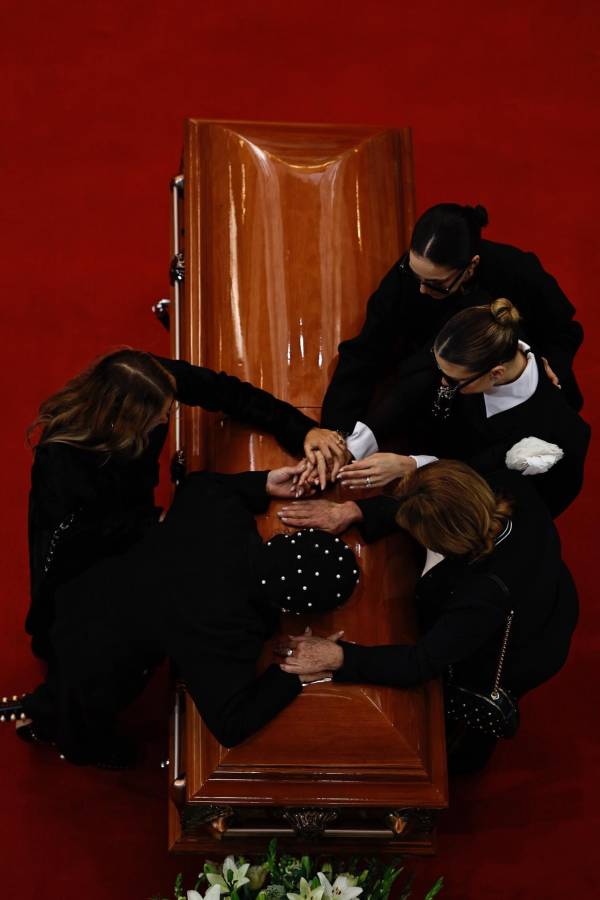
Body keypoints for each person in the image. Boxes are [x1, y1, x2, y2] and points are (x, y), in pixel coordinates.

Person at [1, 466, 359, 765]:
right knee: (73, 714)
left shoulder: (224, 514)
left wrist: (263, 482)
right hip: (99, 654)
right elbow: (231, 724)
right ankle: (40, 721)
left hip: (82, 584)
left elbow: (201, 482)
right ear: (293, 609)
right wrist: (294, 670)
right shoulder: (229, 632)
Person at [26, 349, 347, 658]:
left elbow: (226, 392)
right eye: (160, 416)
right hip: (80, 540)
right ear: (124, 421)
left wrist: (302, 431)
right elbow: (80, 536)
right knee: (65, 611)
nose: (168, 416)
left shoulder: (151, 378)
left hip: (134, 501)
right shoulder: (60, 460)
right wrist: (157, 523)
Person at [278, 461, 579, 773]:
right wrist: (356, 511)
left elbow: (421, 662)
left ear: (445, 542)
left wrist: (338, 656)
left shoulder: (481, 594)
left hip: (524, 646)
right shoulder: (503, 484)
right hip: (548, 588)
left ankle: (463, 761)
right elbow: (433, 499)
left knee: (465, 729)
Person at [320, 203, 584, 465]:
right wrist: (337, 437)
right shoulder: (407, 278)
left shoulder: (517, 272)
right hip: (436, 388)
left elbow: (565, 331)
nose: (421, 290)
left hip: (509, 401)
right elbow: (366, 351)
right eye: (414, 275)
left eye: (435, 284)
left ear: (471, 266)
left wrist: (546, 364)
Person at [336, 299, 590, 518]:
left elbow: (485, 491)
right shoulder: (471, 334)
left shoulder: (553, 432)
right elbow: (415, 384)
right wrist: (352, 446)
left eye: (454, 382)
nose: (443, 383)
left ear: (496, 373)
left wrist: (413, 468)